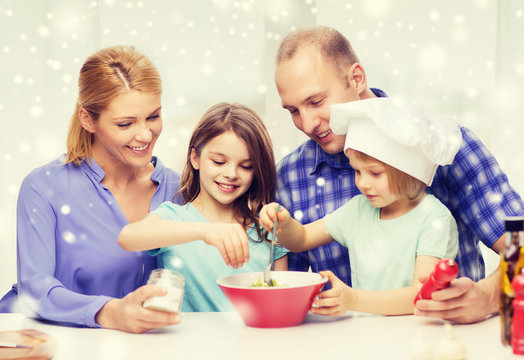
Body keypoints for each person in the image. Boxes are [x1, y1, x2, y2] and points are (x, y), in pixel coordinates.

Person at [274, 25, 524, 322]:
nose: (308, 124)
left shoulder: (442, 145)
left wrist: (489, 297)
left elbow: (519, 245)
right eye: (293, 111)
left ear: (356, 78)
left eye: (316, 102)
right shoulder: (292, 175)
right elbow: (293, 291)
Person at [0, 45, 182, 333]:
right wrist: (109, 313)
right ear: (88, 119)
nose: (145, 135)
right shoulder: (43, 187)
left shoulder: (177, 189)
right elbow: (34, 289)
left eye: (153, 116)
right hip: (49, 340)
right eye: (125, 123)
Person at [261, 98, 460, 315]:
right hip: (364, 336)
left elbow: (421, 296)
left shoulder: (434, 219)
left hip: (414, 339)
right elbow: (302, 239)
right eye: (357, 171)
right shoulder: (359, 210)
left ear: (408, 171)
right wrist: (284, 223)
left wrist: (353, 299)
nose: (363, 183)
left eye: (375, 173)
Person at [118, 102, 288, 311]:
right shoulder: (174, 218)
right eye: (218, 162)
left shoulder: (267, 230)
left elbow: (281, 307)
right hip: (187, 344)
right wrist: (205, 231)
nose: (232, 174)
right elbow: (127, 237)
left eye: (246, 166)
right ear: (195, 158)